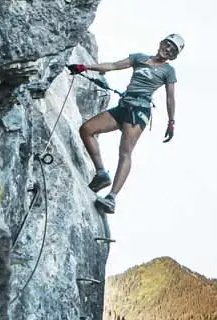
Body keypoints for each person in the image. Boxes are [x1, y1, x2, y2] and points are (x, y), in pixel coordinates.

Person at [66, 33, 183, 214]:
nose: (167, 49)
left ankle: (112, 198)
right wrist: (85, 67)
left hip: (138, 112)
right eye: (167, 44)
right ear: (161, 42)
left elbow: (170, 98)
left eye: (172, 50)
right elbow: (112, 66)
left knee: (125, 152)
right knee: (87, 129)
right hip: (123, 106)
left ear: (174, 56)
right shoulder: (139, 58)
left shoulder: (168, 71)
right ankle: (101, 174)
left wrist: (171, 122)